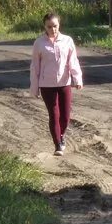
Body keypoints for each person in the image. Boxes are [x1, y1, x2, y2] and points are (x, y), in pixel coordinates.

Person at [30, 12, 83, 156]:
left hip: (64, 83)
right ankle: (58, 145)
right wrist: (34, 88)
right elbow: (35, 66)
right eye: (49, 26)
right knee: (54, 114)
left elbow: (73, 61)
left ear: (59, 25)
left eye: (55, 26)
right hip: (47, 85)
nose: (52, 29)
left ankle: (61, 136)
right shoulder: (39, 43)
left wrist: (77, 78)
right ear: (44, 26)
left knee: (65, 116)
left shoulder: (67, 41)